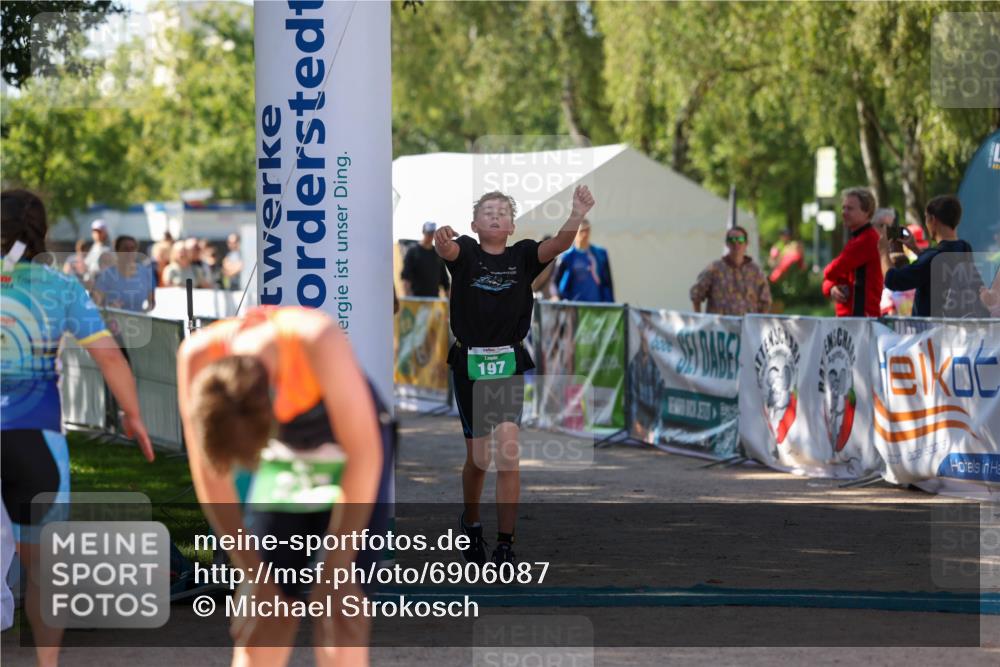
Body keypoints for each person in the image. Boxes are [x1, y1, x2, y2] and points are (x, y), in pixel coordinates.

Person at [177, 305, 384, 666]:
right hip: (287, 457)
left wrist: (335, 569)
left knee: (340, 615)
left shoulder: (317, 339)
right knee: (264, 618)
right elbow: (211, 475)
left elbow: (364, 457)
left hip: (352, 450)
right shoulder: (196, 356)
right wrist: (253, 574)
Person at [1, 189, 154, 667]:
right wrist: (133, 416)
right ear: (44, 230)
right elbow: (109, 357)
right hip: (35, 440)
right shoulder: (61, 287)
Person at [433, 185, 595, 566]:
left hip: (507, 363)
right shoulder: (466, 252)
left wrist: (576, 213)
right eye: (487, 211)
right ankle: (471, 523)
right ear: (474, 224)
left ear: (512, 225)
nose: (495, 215)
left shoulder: (523, 255)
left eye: (502, 212)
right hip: (470, 365)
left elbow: (559, 245)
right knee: (480, 459)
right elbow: (447, 250)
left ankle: (505, 544)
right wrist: (442, 239)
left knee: (508, 454)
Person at [881, 195, 989, 318]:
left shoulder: (932, 258)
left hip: (932, 328)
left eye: (926, 218)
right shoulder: (964, 248)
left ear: (933, 219)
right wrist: (916, 249)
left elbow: (893, 280)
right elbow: (939, 267)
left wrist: (883, 251)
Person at [822, 187, 883, 317]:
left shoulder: (866, 240)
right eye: (843, 208)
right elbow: (832, 277)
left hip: (861, 320)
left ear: (866, 212)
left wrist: (829, 282)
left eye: (850, 208)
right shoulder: (857, 238)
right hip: (852, 319)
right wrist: (831, 288)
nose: (844, 212)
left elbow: (830, 271)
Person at [689, 226, 771, 315]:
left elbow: (766, 300)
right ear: (727, 244)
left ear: (746, 243)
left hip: (746, 323)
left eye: (740, 240)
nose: (736, 243)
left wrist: (759, 321)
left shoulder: (755, 271)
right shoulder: (715, 268)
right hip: (720, 323)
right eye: (732, 240)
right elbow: (696, 294)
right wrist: (699, 318)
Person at [554, 219, 614, 303]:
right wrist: (559, 298)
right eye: (582, 231)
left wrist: (609, 303)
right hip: (574, 306)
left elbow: (607, 282)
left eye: (587, 230)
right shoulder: (567, 257)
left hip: (597, 305)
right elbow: (556, 282)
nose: (585, 234)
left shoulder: (600, 254)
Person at [92, 235, 156, 312]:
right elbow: (95, 303)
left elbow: (151, 302)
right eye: (125, 249)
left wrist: (144, 312)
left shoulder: (145, 273)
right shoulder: (107, 275)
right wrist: (109, 308)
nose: (129, 252)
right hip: (112, 318)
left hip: (137, 318)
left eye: (132, 248)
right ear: (117, 251)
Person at [401, 222, 451, 298]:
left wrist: (449, 301)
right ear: (423, 232)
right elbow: (406, 277)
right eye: (429, 233)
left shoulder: (438, 253)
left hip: (434, 300)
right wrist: (409, 298)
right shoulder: (413, 252)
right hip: (416, 300)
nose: (431, 236)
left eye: (433, 233)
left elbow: (445, 280)